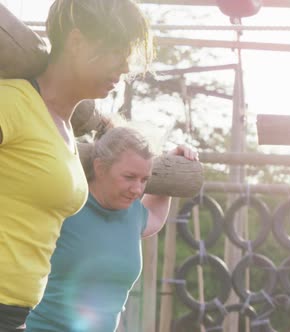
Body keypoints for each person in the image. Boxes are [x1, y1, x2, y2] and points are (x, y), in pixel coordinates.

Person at [0, 0, 152, 329]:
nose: (125, 66)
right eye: (117, 49)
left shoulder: (63, 128)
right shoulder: (11, 102)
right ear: (77, 41)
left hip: (17, 314)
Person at [26, 126, 198, 332]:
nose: (137, 189)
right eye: (129, 177)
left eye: (144, 180)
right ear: (99, 168)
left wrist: (171, 161)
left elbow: (156, 217)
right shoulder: (66, 203)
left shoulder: (134, 213)